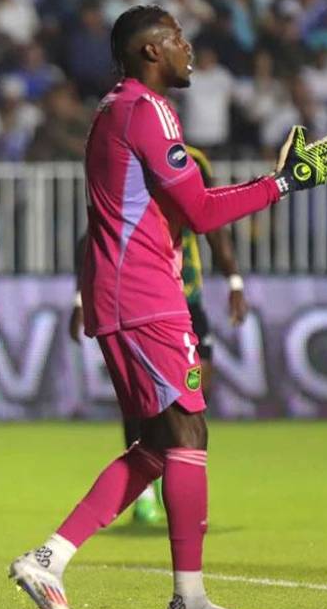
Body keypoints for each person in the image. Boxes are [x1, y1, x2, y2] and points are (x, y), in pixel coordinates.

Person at [10, 5, 327, 609]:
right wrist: (283, 184)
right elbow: (197, 209)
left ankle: (49, 558)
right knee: (188, 436)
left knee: (157, 445)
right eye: (176, 38)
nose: (188, 48)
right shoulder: (147, 109)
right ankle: (188, 601)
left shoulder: (117, 108)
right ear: (150, 51)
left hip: (128, 294)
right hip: (143, 298)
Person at [68, 145, 249, 525]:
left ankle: (177, 482)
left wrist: (233, 278)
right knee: (141, 403)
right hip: (138, 298)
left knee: (195, 396)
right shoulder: (126, 163)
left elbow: (210, 222)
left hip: (186, 296)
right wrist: (80, 297)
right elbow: (95, 234)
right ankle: (148, 494)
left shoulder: (193, 162)